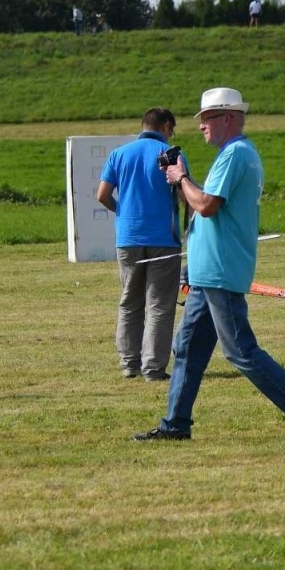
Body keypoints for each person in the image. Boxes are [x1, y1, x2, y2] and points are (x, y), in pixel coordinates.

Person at [135, 88, 285, 440]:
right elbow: (203, 202)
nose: (201, 126)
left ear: (226, 118)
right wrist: (180, 181)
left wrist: (181, 178)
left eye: (206, 119)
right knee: (188, 349)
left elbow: (207, 206)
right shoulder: (239, 153)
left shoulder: (234, 154)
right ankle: (175, 425)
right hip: (208, 271)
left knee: (240, 350)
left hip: (219, 270)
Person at [96, 107, 183, 381]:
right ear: (165, 126)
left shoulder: (119, 154)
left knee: (129, 302)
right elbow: (185, 194)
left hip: (128, 238)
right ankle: (153, 367)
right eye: (171, 130)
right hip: (164, 239)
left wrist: (122, 212)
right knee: (160, 304)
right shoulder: (171, 154)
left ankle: (129, 363)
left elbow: (102, 195)